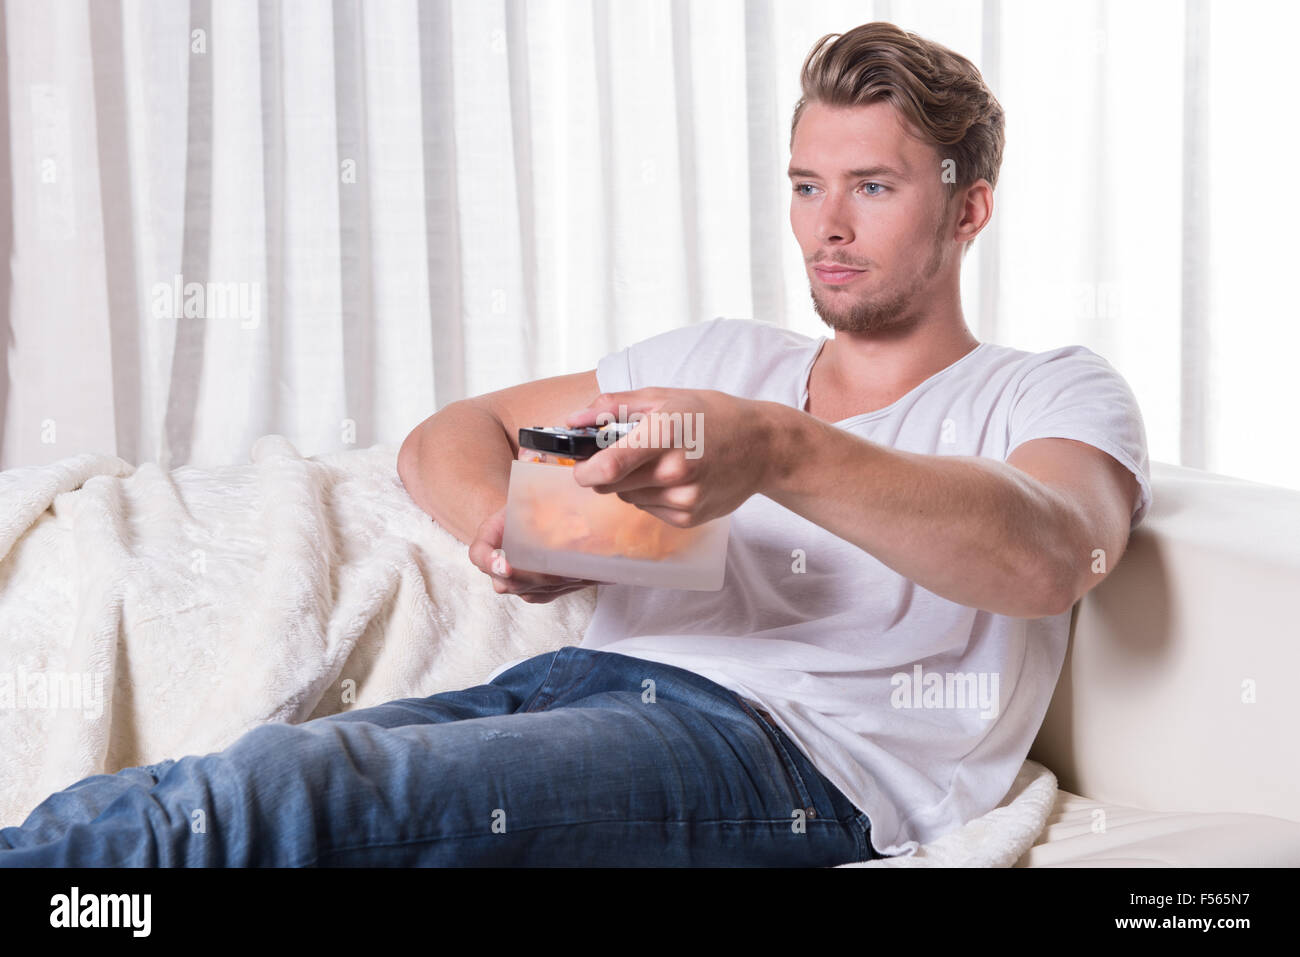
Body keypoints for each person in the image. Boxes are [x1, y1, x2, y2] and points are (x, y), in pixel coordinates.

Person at [0, 21, 1149, 867]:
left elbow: (1056, 558)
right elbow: (455, 432)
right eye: (805, 186)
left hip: (790, 762)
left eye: (872, 187)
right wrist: (506, 529)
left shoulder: (1046, 392)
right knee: (224, 781)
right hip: (575, 686)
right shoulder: (723, 357)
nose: (827, 226)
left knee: (270, 809)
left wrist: (779, 451)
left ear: (968, 207)